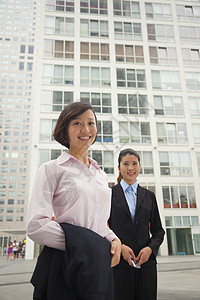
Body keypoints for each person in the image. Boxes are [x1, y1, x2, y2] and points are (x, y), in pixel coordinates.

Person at [26, 102, 121, 294]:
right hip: (64, 262)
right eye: (77, 123)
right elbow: (36, 226)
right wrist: (82, 244)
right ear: (65, 130)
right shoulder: (51, 169)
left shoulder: (101, 175)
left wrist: (114, 239)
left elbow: (100, 224)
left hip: (98, 263)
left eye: (91, 123)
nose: (85, 129)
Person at [108, 148, 165, 300]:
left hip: (146, 266)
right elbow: (101, 229)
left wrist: (150, 249)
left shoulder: (149, 196)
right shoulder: (108, 195)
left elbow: (159, 231)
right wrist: (120, 247)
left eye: (134, 163)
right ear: (119, 168)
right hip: (118, 265)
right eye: (126, 164)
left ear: (139, 166)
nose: (131, 168)